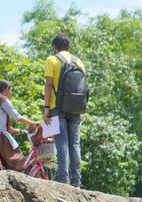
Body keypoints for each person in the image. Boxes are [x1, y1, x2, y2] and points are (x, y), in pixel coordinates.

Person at [43, 33, 86, 187]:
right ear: (69, 47)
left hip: (57, 107)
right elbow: (83, 87)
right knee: (75, 144)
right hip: (76, 108)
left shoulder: (52, 60)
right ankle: (76, 181)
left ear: (55, 47)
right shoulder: (78, 62)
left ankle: (62, 179)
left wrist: (46, 107)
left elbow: (49, 84)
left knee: (61, 143)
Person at [0, 80, 37, 171]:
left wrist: (15, 130)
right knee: (17, 159)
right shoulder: (3, 99)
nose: (10, 93)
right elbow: (18, 117)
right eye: (10, 90)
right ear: (7, 89)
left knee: (6, 161)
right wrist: (34, 123)